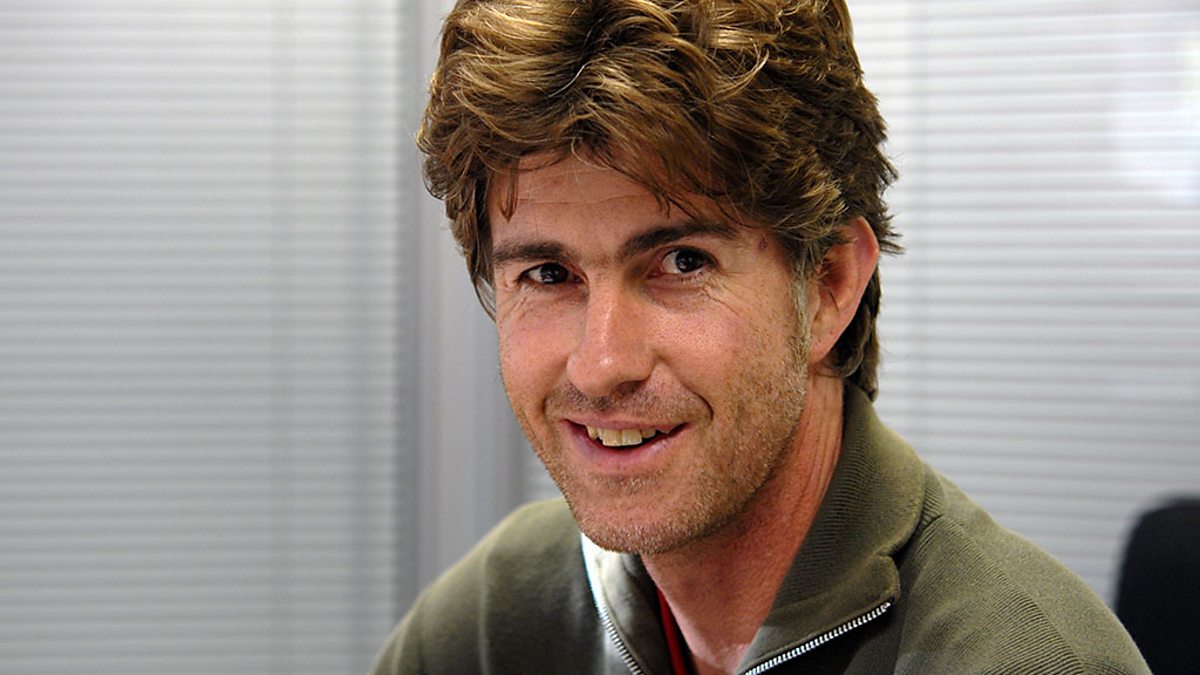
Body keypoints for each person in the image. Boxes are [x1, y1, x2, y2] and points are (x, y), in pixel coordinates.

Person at [374, 0, 1150, 672]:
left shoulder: (1025, 659)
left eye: (682, 261)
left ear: (829, 285)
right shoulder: (494, 620)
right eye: (548, 273)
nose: (603, 363)